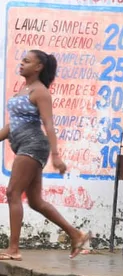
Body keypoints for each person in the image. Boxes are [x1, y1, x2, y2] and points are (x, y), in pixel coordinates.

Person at [0, 50, 91, 261]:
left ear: (38, 67)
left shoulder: (41, 92)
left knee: (13, 192)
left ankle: (14, 249)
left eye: (27, 61)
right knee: (35, 201)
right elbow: (12, 125)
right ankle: (76, 234)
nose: (21, 64)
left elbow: (48, 124)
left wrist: (56, 155)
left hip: (33, 146)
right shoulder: (25, 89)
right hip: (23, 144)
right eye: (22, 60)